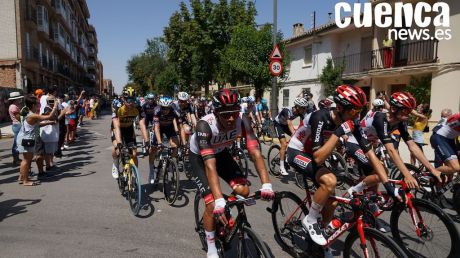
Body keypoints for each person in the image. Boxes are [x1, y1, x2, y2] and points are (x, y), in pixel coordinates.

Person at [287, 85, 396, 246]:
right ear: (339, 108)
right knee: (330, 181)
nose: (358, 115)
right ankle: (310, 220)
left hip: (316, 153)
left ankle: (322, 242)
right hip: (297, 151)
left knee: (332, 202)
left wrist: (388, 186)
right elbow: (317, 159)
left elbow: (371, 155)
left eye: (360, 110)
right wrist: (339, 132)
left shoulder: (352, 121)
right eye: (354, 111)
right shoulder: (320, 117)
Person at [189, 89, 274, 258]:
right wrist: (218, 199)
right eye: (225, 114)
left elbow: (255, 152)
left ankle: (225, 208)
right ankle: (211, 247)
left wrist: (267, 184)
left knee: (244, 190)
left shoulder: (242, 120)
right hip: (200, 158)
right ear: (216, 112)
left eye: (234, 113)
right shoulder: (204, 125)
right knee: (212, 204)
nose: (230, 119)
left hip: (221, 153)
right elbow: (210, 165)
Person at [355, 92, 442, 186]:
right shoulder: (380, 118)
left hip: (368, 142)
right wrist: (407, 175)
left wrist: (432, 169)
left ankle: (361, 186)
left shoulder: (400, 122)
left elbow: (412, 145)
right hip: (355, 141)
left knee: (374, 184)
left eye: (410, 111)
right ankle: (354, 190)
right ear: (393, 109)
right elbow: (391, 150)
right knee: (382, 173)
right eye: (406, 111)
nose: (409, 114)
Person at [16, 95, 58, 186]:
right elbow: (49, 116)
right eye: (38, 104)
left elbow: (36, 126)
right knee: (26, 160)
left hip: (25, 138)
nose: (39, 105)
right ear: (33, 105)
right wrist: (55, 105)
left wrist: (49, 123)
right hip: (27, 139)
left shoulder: (29, 113)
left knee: (26, 160)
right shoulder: (32, 115)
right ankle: (25, 181)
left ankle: (22, 177)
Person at [111, 87, 149, 179]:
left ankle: (134, 175)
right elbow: (116, 126)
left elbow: (142, 124)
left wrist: (147, 140)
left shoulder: (138, 107)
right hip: (117, 129)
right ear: (123, 98)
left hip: (128, 129)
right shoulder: (118, 105)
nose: (130, 102)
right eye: (128, 99)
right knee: (117, 148)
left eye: (132, 99)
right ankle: (115, 165)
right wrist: (119, 142)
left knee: (134, 154)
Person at [273, 97, 309, 175]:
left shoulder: (300, 113)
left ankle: (287, 156)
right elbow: (289, 123)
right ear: (297, 107)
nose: (304, 109)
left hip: (285, 125)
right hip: (278, 124)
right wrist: (294, 134)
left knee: (298, 140)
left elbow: (302, 125)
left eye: (305, 108)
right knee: (284, 144)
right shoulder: (287, 110)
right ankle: (281, 167)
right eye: (303, 108)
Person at [40, 95, 60, 172]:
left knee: (51, 150)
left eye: (53, 100)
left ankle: (51, 163)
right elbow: (51, 117)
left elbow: (56, 119)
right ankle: (48, 165)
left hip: (53, 132)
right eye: (51, 100)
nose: (52, 102)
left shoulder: (51, 108)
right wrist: (55, 107)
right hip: (48, 133)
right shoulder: (47, 108)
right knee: (48, 151)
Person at [8, 92, 24, 166]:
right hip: (17, 125)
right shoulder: (14, 106)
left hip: (15, 125)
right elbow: (18, 117)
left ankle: (16, 158)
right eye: (18, 98)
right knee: (16, 143)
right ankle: (16, 159)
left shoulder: (13, 106)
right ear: (15, 99)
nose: (20, 100)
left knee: (17, 142)